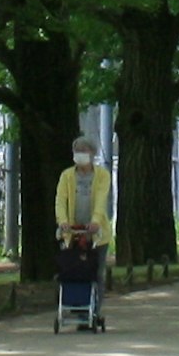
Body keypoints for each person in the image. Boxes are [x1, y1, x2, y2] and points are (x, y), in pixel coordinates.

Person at [55, 137, 117, 330]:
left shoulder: (102, 175)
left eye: (84, 150)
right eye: (77, 150)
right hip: (73, 233)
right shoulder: (67, 176)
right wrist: (63, 222)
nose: (80, 154)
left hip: (97, 235)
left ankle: (94, 310)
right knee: (72, 271)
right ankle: (76, 308)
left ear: (92, 154)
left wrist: (96, 222)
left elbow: (101, 199)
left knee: (95, 273)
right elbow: (60, 200)